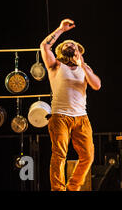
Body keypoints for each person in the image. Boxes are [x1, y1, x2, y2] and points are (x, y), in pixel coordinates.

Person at [40, 19, 102, 191]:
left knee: (88, 156)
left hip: (81, 118)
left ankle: (73, 187)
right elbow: (44, 46)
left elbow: (97, 85)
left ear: (78, 51)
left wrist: (83, 65)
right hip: (60, 116)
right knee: (59, 155)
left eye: (73, 44)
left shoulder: (84, 67)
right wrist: (60, 30)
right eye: (66, 44)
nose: (70, 45)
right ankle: (58, 190)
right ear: (61, 50)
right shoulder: (55, 65)